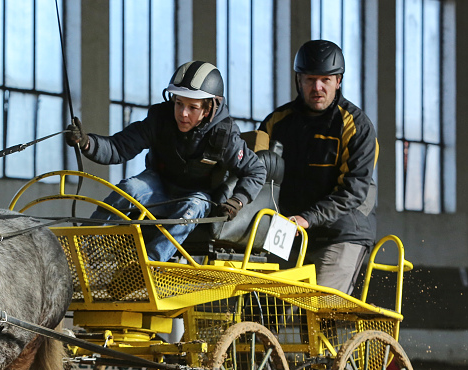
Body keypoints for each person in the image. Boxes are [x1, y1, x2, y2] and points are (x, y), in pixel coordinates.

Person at [65, 61, 266, 263]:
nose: (182, 113)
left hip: (199, 195)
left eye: (192, 107)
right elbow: (119, 147)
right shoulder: (160, 119)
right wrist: (86, 143)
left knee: (193, 206)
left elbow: (256, 171)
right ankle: (81, 246)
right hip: (159, 186)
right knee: (130, 187)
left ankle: (147, 266)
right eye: (179, 103)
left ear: (209, 109)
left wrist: (237, 200)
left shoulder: (226, 135)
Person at [259, 40, 378, 295]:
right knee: (262, 307)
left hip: (342, 231)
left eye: (325, 79)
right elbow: (255, 177)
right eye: (310, 79)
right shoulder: (275, 124)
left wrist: (308, 218)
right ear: (298, 80)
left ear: (339, 81)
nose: (317, 87)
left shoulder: (357, 127)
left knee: (317, 309)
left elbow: (353, 191)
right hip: (289, 229)